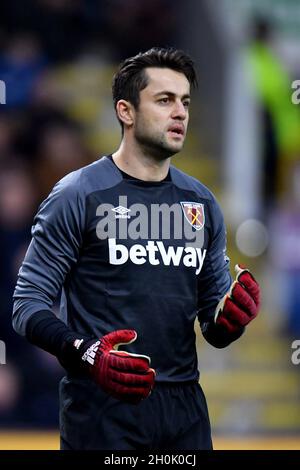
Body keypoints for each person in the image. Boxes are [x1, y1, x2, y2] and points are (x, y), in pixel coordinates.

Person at [12, 47, 260, 450]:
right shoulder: (78, 194)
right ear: (125, 112)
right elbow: (27, 305)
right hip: (101, 409)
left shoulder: (201, 202)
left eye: (185, 102)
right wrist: (88, 353)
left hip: (185, 413)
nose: (180, 112)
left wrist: (231, 321)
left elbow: (213, 325)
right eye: (164, 100)